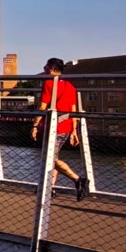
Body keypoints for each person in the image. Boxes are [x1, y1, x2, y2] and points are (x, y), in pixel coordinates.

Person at [32, 58, 89, 200]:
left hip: (53, 127)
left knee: (50, 158)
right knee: (53, 157)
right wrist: (74, 131)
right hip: (66, 126)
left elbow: (42, 106)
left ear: (51, 68)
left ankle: (78, 180)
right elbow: (73, 109)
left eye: (46, 66)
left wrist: (35, 125)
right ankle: (50, 188)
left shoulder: (49, 83)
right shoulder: (70, 86)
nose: (44, 68)